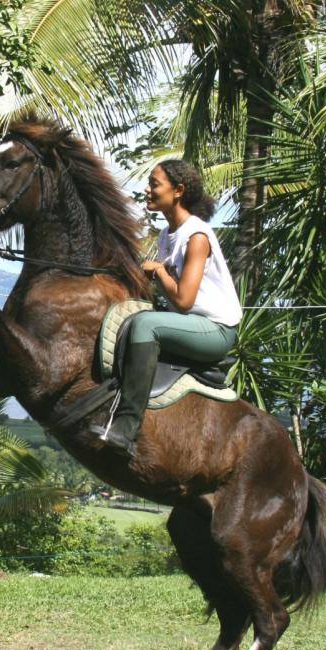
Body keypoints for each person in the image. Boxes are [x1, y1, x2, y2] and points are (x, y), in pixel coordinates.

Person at [91, 159, 242, 457]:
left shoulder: (196, 236)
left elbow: (184, 299)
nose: (147, 190)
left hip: (216, 331)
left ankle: (126, 427)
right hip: (188, 324)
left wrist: (159, 272)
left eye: (154, 184)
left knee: (146, 325)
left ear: (178, 191)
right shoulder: (166, 234)